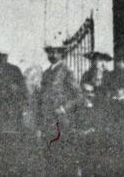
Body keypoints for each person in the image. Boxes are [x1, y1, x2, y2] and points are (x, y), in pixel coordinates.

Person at [38, 45, 81, 176]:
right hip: (48, 121)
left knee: (64, 156)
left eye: (55, 52)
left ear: (61, 53)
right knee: (50, 157)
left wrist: (64, 108)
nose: (52, 55)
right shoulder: (46, 73)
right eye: (50, 52)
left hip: (61, 122)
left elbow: (78, 96)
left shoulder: (67, 71)